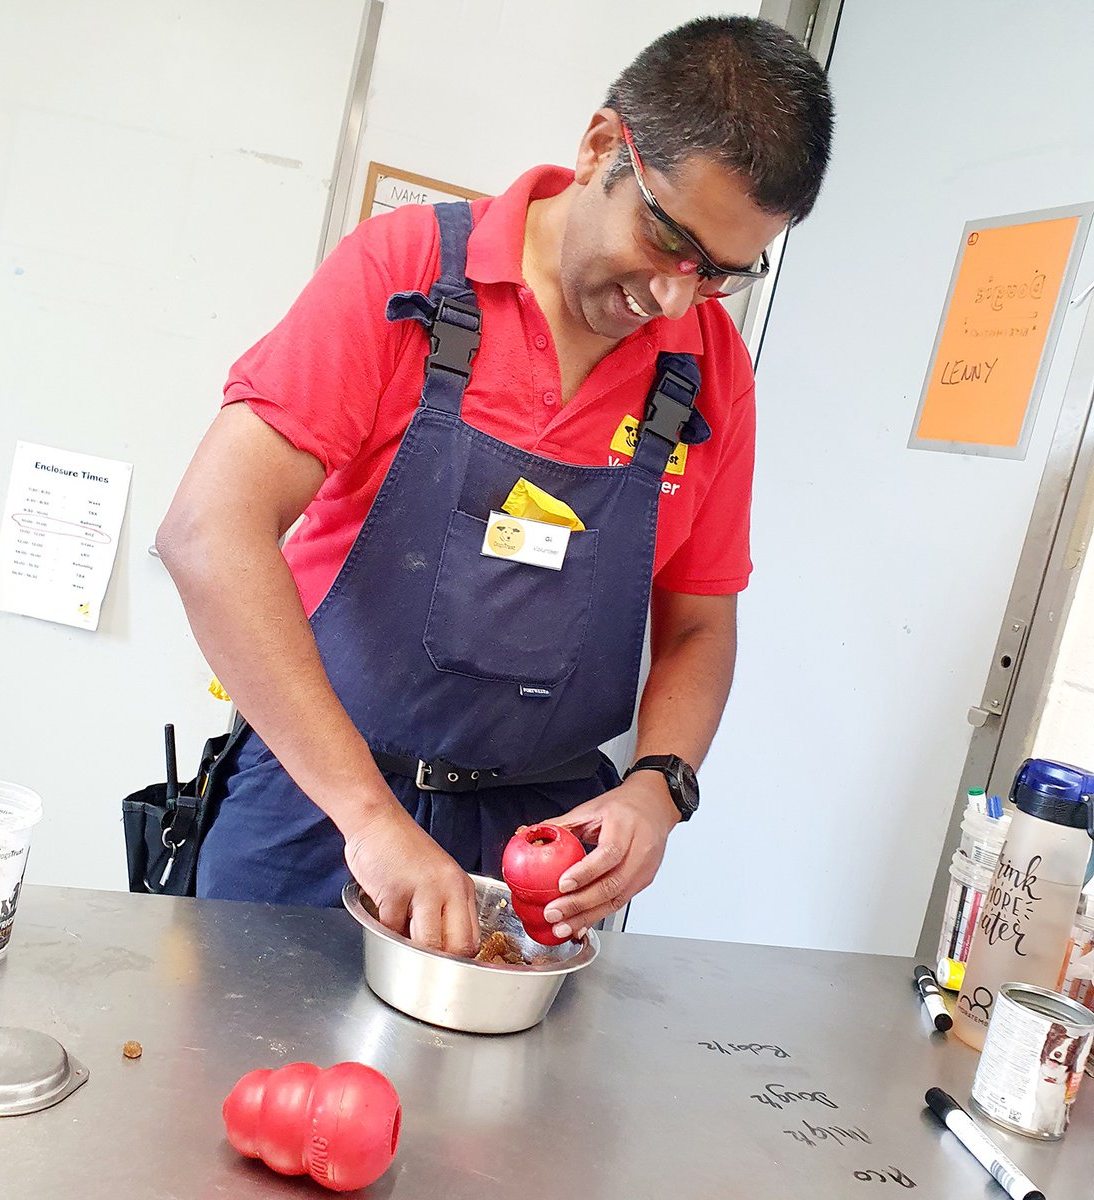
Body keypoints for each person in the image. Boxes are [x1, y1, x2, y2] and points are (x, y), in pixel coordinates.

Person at [157, 16, 834, 956]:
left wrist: (659, 786)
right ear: (602, 145)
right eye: (669, 238)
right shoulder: (409, 275)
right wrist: (371, 819)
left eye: (722, 274)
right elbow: (207, 531)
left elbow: (698, 626)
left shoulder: (710, 372)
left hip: (540, 857)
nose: (677, 298)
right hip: (318, 811)